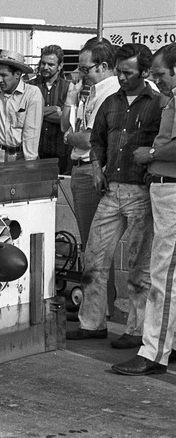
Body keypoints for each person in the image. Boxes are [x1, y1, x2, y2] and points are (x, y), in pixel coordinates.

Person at [66, 44, 169, 350]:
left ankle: (136, 330)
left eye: (128, 72)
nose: (122, 77)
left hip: (141, 190)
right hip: (112, 188)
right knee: (94, 258)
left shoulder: (159, 103)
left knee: (140, 268)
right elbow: (96, 139)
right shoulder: (111, 102)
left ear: (144, 72)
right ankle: (92, 323)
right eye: (119, 71)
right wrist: (97, 169)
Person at [113, 42, 176, 375]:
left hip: (172, 190)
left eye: (161, 74)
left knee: (164, 276)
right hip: (165, 188)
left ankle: (153, 352)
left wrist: (151, 154)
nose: (158, 81)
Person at [61, 38, 120, 317]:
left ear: (104, 66)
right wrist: (71, 100)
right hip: (84, 168)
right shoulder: (92, 92)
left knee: (94, 246)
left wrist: (70, 137)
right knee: (93, 245)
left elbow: (87, 138)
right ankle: (100, 305)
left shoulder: (109, 93)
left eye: (86, 69)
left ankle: (99, 308)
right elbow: (70, 126)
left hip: (91, 169)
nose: (82, 75)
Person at [0, 50, 43, 162]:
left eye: (4, 75)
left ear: (17, 74)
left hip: (20, 156)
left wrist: (30, 163)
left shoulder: (32, 93)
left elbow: (31, 133)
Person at [29, 45, 71, 174]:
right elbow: (23, 114)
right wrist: (54, 109)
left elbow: (68, 120)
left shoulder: (68, 88)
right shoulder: (30, 86)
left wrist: (35, 113)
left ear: (60, 66)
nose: (45, 67)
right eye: (43, 63)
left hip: (59, 153)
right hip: (35, 152)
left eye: (50, 64)